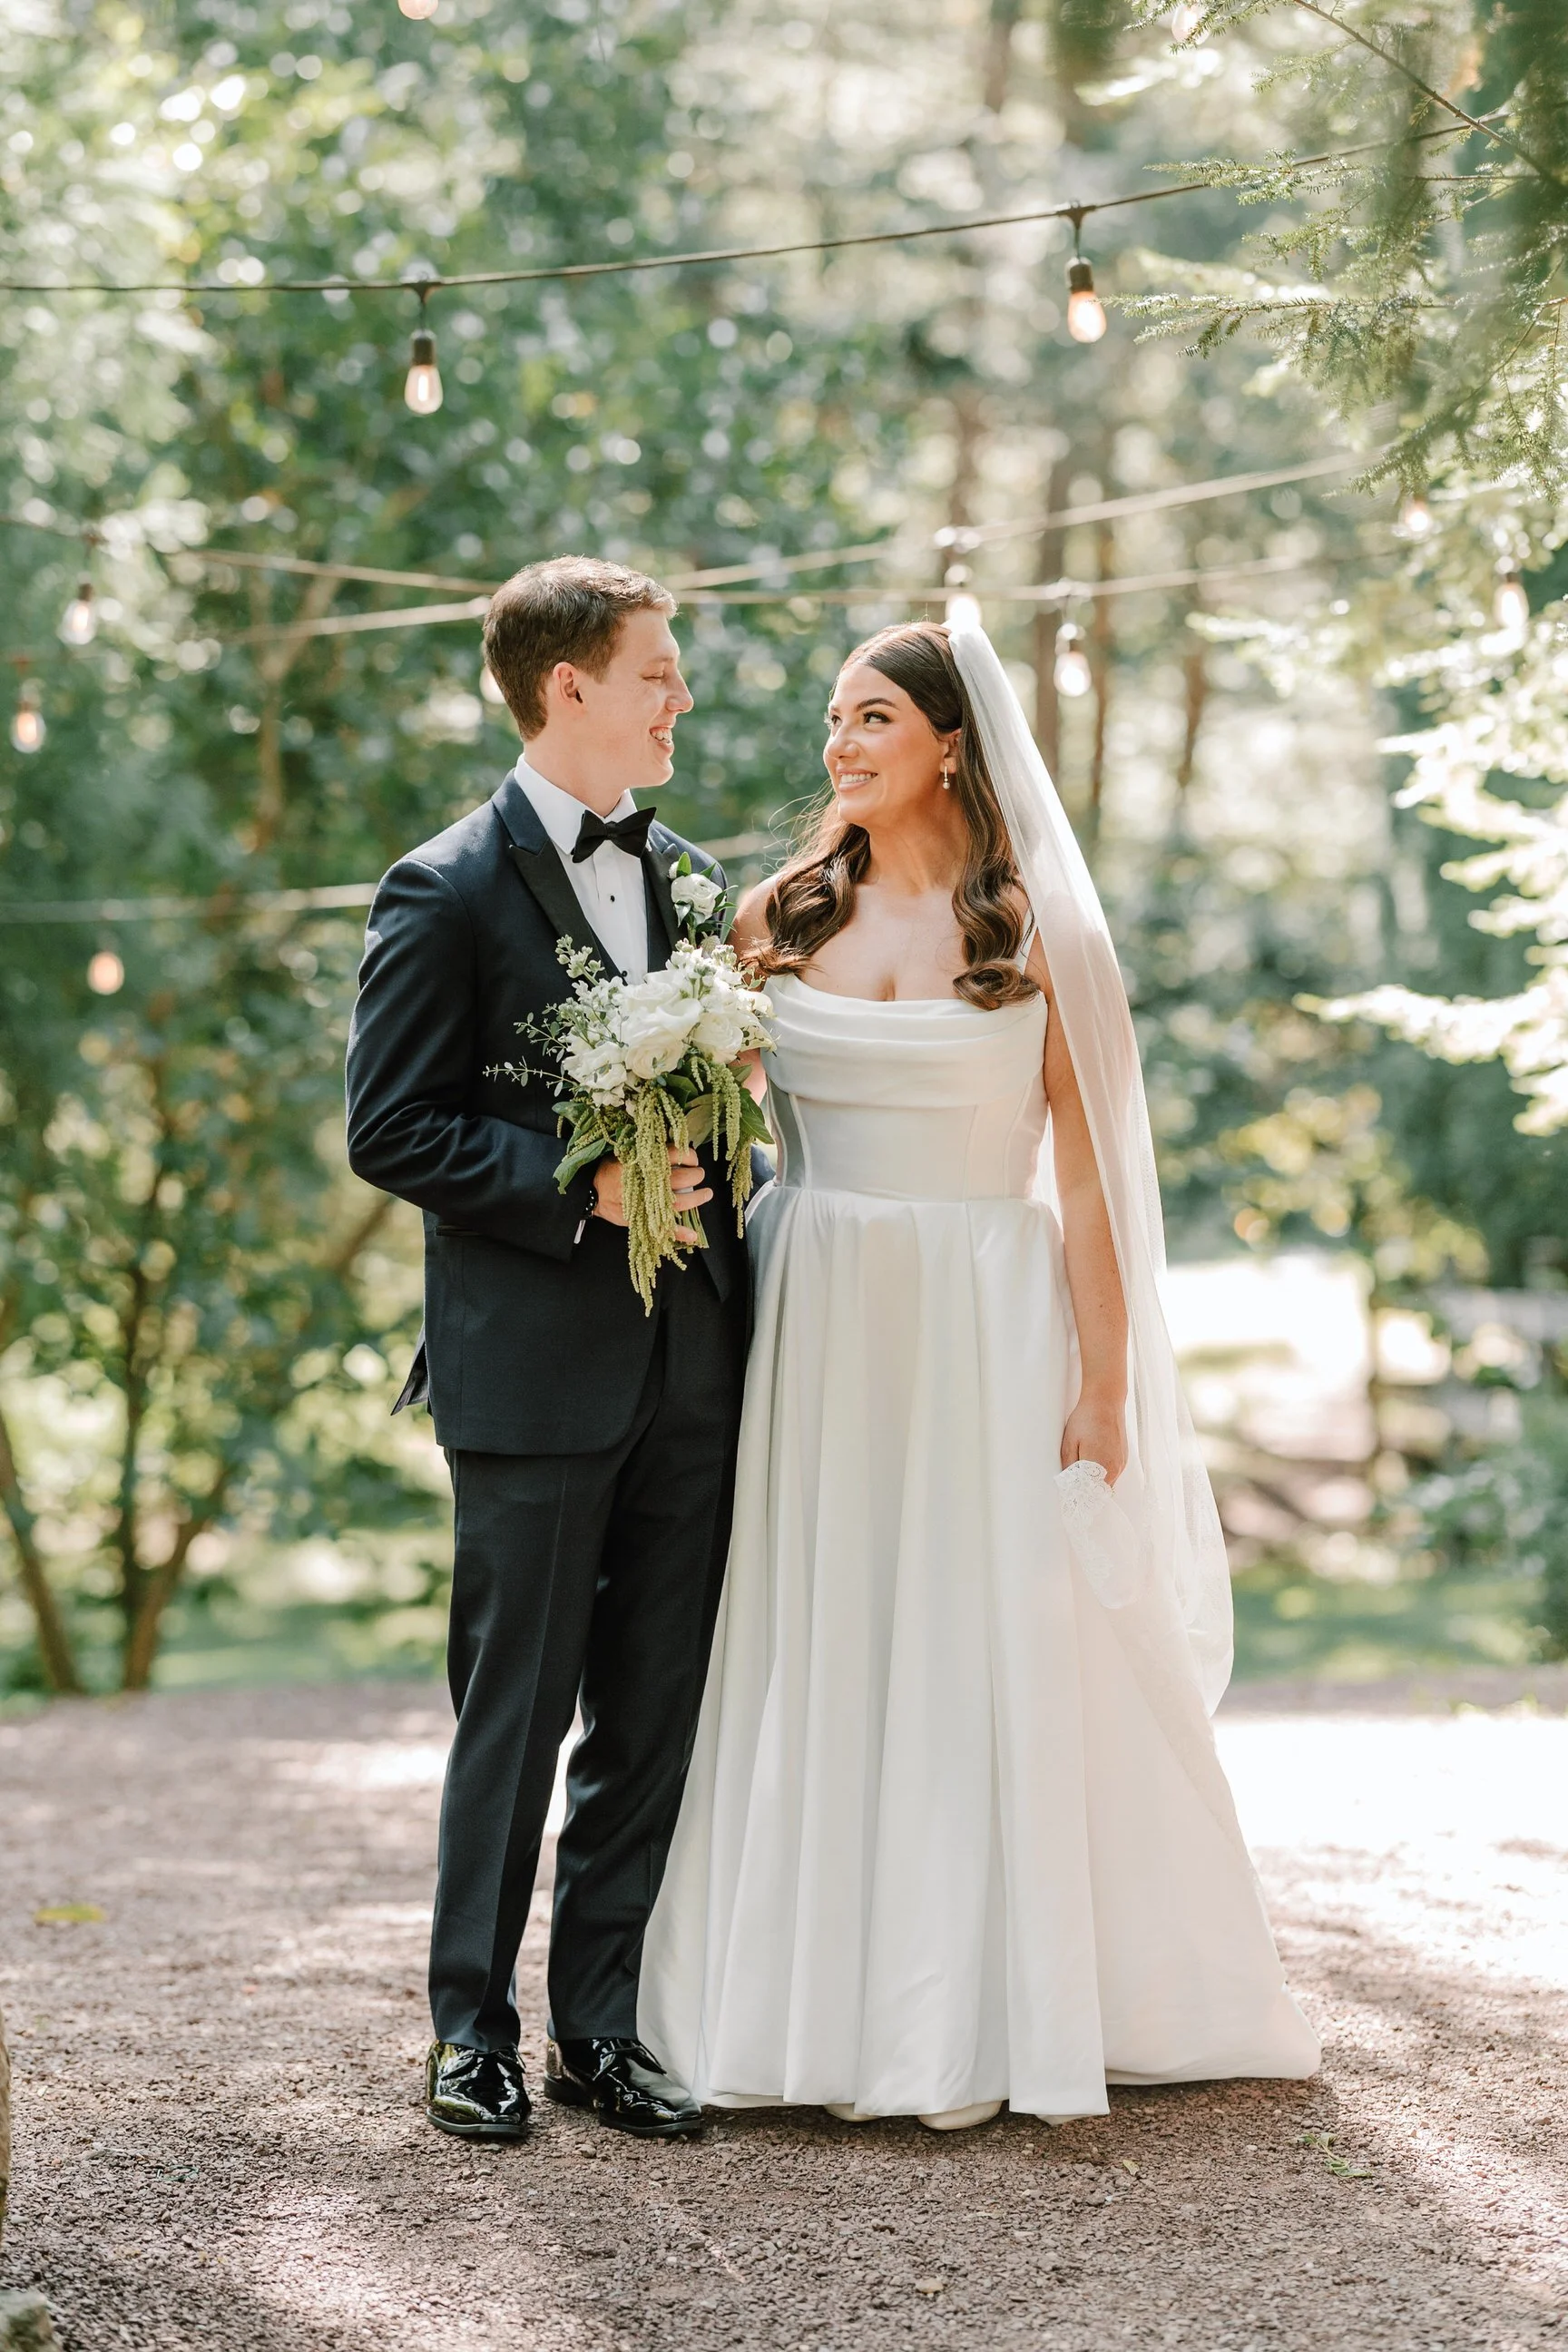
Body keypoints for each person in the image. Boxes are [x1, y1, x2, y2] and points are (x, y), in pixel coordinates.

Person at [637, 618, 1320, 2128]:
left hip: (983, 1311)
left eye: (872, 715)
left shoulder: (1042, 938)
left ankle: (982, 2000)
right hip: (812, 1314)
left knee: (973, 1626)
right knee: (819, 1623)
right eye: (833, 720)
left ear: (952, 741)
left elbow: (1087, 1189)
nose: (841, 743)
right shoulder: (774, 919)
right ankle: (797, 2001)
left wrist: (1107, 1386)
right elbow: (710, 1124)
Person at [346, 556, 750, 2141]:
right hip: (529, 1373)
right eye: (659, 672)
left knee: (653, 1709)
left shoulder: (697, 882)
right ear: (567, 685)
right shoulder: (439, 887)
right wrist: (578, 1186)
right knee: (513, 1714)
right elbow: (393, 1128)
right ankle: (469, 2031)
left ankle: (601, 2027)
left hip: (696, 1365)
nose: (681, 698)